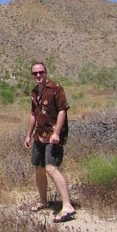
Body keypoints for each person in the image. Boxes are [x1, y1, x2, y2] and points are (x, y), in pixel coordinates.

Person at [23, 62, 76, 222]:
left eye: (41, 72)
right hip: (39, 135)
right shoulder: (34, 92)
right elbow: (34, 113)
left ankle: (67, 205)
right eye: (35, 73)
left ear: (46, 72)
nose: (38, 76)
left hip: (53, 136)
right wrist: (28, 135)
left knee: (51, 168)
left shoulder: (56, 89)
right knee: (39, 168)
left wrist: (57, 133)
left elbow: (62, 110)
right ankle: (43, 200)